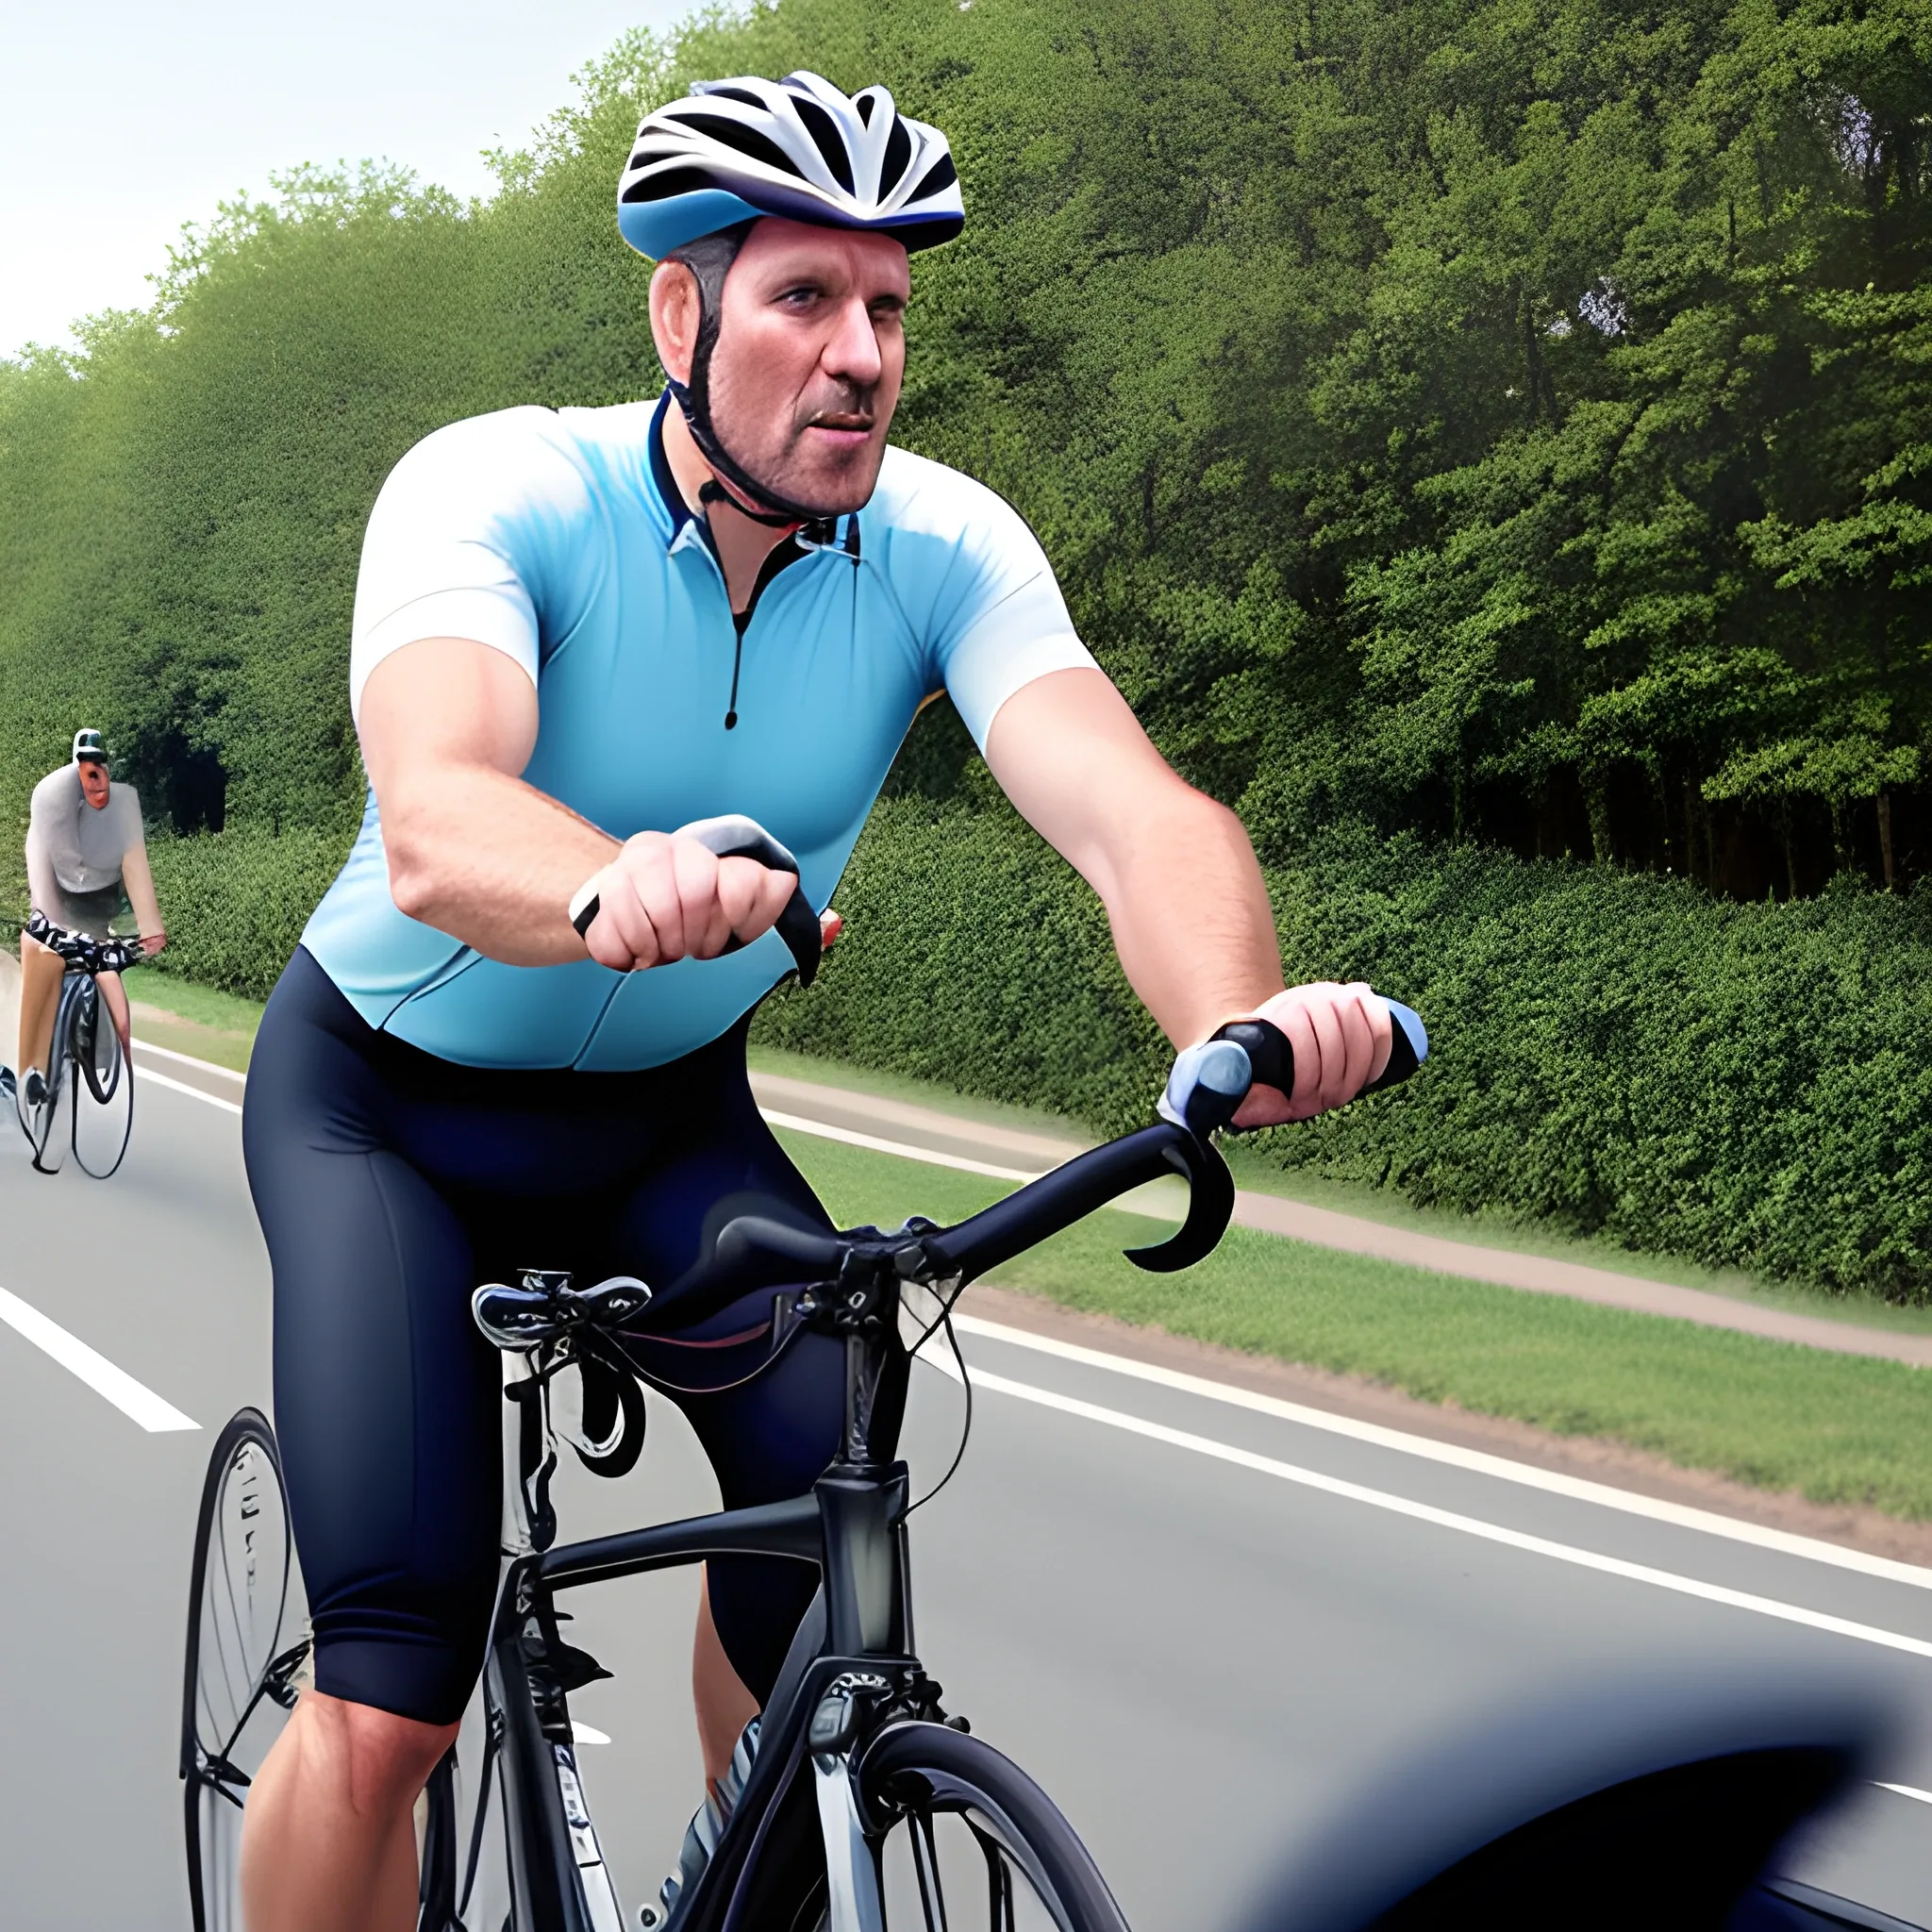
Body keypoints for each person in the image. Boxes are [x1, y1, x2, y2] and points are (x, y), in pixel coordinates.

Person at [237, 72, 1396, 1932]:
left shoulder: (944, 543)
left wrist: (1233, 1023)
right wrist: (609, 881)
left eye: (890, 311)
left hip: (665, 1128)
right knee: (391, 1698)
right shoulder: (494, 485)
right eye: (804, 301)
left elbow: (1128, 813)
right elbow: (441, 818)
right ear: (681, 315)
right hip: (386, 1112)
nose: (860, 354)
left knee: (827, 1542)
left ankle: (774, 1862)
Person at [8, 729, 165, 1139]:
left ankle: (95, 1043)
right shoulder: (50, 796)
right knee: (43, 954)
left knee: (105, 962)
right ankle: (30, 1074)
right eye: (85, 768)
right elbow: (42, 872)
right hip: (54, 881)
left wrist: (150, 931)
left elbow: (136, 866)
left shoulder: (121, 806)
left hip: (98, 899)